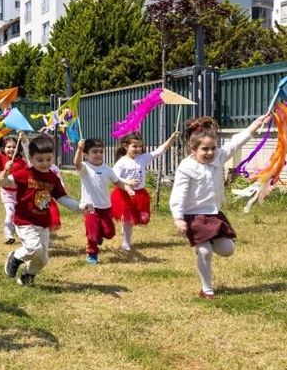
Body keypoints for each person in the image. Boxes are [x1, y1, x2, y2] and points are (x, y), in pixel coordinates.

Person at [170, 115, 267, 299]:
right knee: (205, 251)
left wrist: (255, 125)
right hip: (194, 215)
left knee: (227, 249)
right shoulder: (186, 167)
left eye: (213, 148)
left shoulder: (219, 157)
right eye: (204, 149)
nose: (210, 153)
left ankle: (206, 242)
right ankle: (207, 289)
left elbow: (236, 142)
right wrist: (178, 218)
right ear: (193, 148)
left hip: (214, 214)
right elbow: (179, 194)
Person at [1, 136, 92, 287]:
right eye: (40, 160)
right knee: (33, 247)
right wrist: (4, 173)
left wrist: (80, 207)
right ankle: (15, 257)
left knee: (43, 259)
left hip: (43, 223)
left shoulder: (52, 178)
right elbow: (4, 182)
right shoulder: (24, 174)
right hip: (25, 221)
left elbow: (62, 198)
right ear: (31, 158)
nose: (45, 163)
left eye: (48, 159)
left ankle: (27, 276)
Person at [112, 130, 179, 251]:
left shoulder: (142, 158)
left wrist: (171, 139)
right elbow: (114, 177)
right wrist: (127, 182)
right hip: (125, 194)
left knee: (144, 218)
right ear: (126, 146)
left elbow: (159, 151)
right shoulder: (121, 162)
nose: (138, 149)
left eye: (140, 146)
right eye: (134, 146)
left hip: (140, 194)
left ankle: (126, 226)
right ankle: (126, 243)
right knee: (129, 219)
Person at [74, 138, 136, 264]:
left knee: (110, 233)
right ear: (86, 155)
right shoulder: (85, 167)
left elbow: (117, 182)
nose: (98, 154)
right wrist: (79, 149)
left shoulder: (107, 169)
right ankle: (92, 254)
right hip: (89, 207)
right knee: (92, 234)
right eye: (94, 152)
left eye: (101, 151)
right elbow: (77, 163)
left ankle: (99, 236)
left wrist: (128, 189)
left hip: (105, 208)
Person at [0, 134, 25, 244]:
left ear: (18, 148)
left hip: (18, 193)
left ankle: (18, 231)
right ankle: (8, 234)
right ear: (3, 149)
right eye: (8, 147)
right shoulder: (1, 158)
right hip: (7, 192)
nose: (11, 149)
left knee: (18, 214)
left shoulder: (22, 162)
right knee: (10, 212)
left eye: (14, 147)